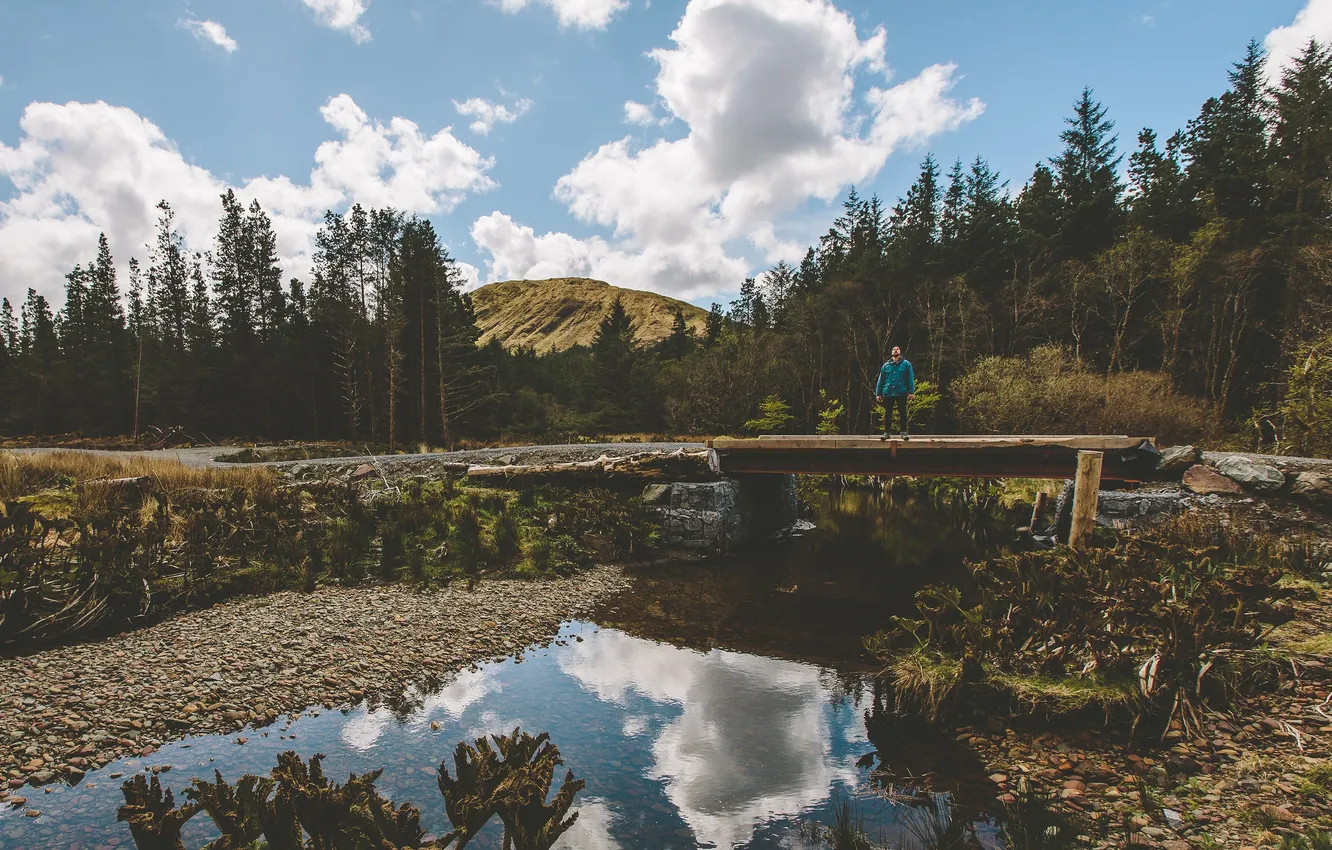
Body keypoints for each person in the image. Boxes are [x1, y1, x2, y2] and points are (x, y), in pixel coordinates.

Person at [875, 346, 915, 439]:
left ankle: (904, 432)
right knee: (888, 413)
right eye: (893, 349)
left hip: (901, 391)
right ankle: (886, 433)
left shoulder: (906, 364)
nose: (896, 350)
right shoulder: (886, 365)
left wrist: (911, 392)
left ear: (900, 351)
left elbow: (910, 378)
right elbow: (881, 380)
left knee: (903, 412)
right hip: (888, 392)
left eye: (897, 349)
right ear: (891, 352)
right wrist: (878, 393)